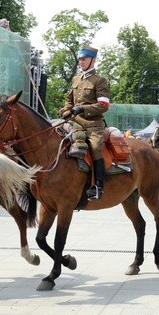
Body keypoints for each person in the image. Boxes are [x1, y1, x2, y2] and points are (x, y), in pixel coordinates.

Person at [58, 45, 110, 201]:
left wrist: (81, 108)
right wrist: (67, 110)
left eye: (84, 59)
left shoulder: (100, 81)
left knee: (95, 148)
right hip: (74, 122)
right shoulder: (76, 79)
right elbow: (69, 100)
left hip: (93, 125)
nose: (81, 62)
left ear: (93, 61)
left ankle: (98, 187)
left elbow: (104, 105)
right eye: (80, 59)